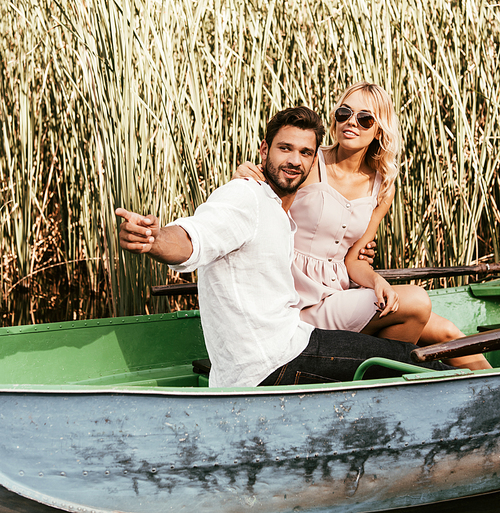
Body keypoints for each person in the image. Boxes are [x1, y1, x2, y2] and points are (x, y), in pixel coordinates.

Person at [116, 106, 454, 388]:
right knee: (415, 365)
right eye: (285, 149)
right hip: (268, 365)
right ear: (264, 151)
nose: (294, 160)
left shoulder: (279, 211)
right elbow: (195, 237)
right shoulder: (245, 195)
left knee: (396, 353)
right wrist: (154, 240)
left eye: (305, 153)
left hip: (292, 340)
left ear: (313, 163)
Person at [233, 84, 490, 371]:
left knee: (447, 333)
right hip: (298, 301)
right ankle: (379, 379)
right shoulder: (308, 161)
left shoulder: (383, 185)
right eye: (345, 113)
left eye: (365, 118)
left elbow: (353, 260)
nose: (351, 122)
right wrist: (244, 173)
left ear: (379, 129)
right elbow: (265, 191)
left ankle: (490, 391)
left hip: (341, 292)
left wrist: (377, 281)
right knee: (416, 302)